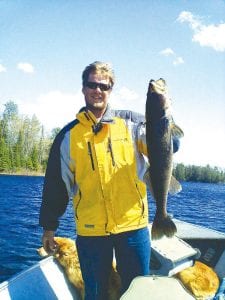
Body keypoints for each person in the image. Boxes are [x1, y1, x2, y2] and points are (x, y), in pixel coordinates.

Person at [39, 61, 179, 299]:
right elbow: (56, 186)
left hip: (133, 226)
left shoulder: (134, 123)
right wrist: (49, 227)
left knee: (137, 292)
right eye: (92, 84)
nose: (98, 90)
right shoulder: (67, 137)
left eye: (104, 86)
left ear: (111, 90)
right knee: (96, 293)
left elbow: (170, 145)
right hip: (91, 232)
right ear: (83, 88)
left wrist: (166, 125)